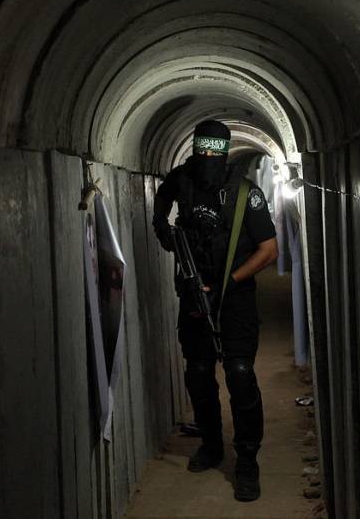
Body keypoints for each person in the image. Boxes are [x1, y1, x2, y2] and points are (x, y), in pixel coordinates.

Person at [152, 119, 278, 502]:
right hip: (194, 293)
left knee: (240, 374)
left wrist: (227, 284)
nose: (207, 157)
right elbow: (162, 199)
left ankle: (247, 460)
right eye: (202, 150)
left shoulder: (245, 194)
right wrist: (162, 228)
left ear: (224, 154)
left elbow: (269, 250)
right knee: (198, 372)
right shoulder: (182, 180)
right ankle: (211, 445)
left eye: (214, 152)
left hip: (234, 297)